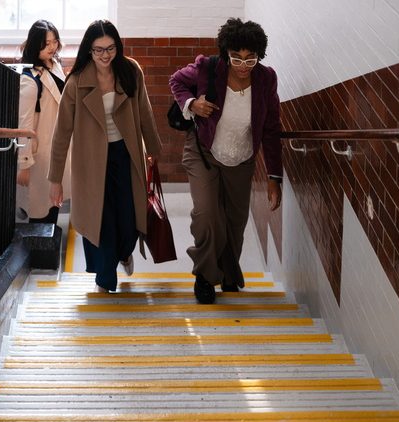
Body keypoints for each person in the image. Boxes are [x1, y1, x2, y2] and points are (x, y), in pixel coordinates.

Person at [169, 18, 283, 304]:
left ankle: (229, 271)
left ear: (259, 55)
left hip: (241, 158)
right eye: (236, 58)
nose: (243, 65)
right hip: (203, 152)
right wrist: (191, 104)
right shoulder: (208, 68)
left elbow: (271, 129)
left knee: (235, 220)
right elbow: (177, 81)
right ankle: (205, 277)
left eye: (250, 58)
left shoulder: (266, 79)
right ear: (226, 54)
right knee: (207, 214)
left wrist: (274, 176)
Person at [48, 19, 162, 293]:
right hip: (91, 163)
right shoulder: (76, 82)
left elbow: (145, 113)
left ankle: (125, 253)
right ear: (89, 50)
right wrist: (55, 179)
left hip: (127, 156)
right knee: (102, 224)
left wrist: (153, 151)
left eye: (110, 48)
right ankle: (105, 280)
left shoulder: (130, 71)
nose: (105, 55)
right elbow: (61, 133)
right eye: (98, 49)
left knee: (129, 219)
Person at [17, 19, 70, 224]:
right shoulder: (29, 79)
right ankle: (42, 243)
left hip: (56, 146)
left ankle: (50, 240)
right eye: (46, 43)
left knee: (54, 203)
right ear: (35, 44)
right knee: (40, 210)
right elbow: (24, 125)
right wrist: (24, 164)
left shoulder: (55, 65)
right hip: (40, 153)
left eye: (54, 41)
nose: (52, 47)